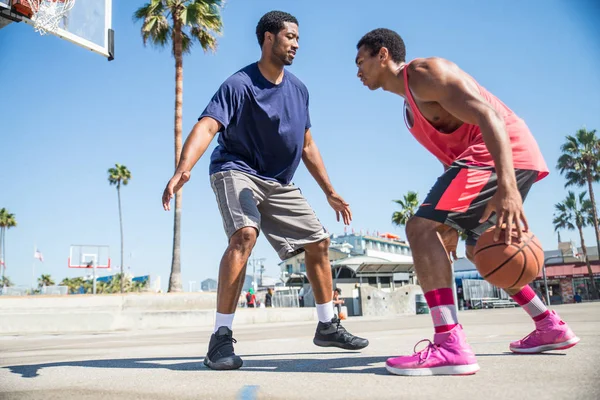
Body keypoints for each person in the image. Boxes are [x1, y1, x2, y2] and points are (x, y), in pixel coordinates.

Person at [354, 28, 579, 376]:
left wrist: (507, 186)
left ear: (382, 55)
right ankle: (549, 324)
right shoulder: (411, 113)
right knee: (482, 250)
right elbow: (452, 160)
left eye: (361, 61)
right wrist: (453, 224)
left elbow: (491, 117)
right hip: (492, 160)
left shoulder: (427, 74)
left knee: (418, 228)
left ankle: (449, 345)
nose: (358, 71)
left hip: (503, 154)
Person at [162, 10, 368, 371]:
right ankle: (220, 339)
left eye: (298, 38)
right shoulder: (239, 84)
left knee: (319, 243)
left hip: (278, 182)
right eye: (290, 36)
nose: (297, 44)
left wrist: (330, 191)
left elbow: (307, 145)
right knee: (244, 234)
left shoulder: (299, 90)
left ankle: (326, 324)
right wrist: (184, 167)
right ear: (268, 39)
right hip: (236, 170)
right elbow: (208, 127)